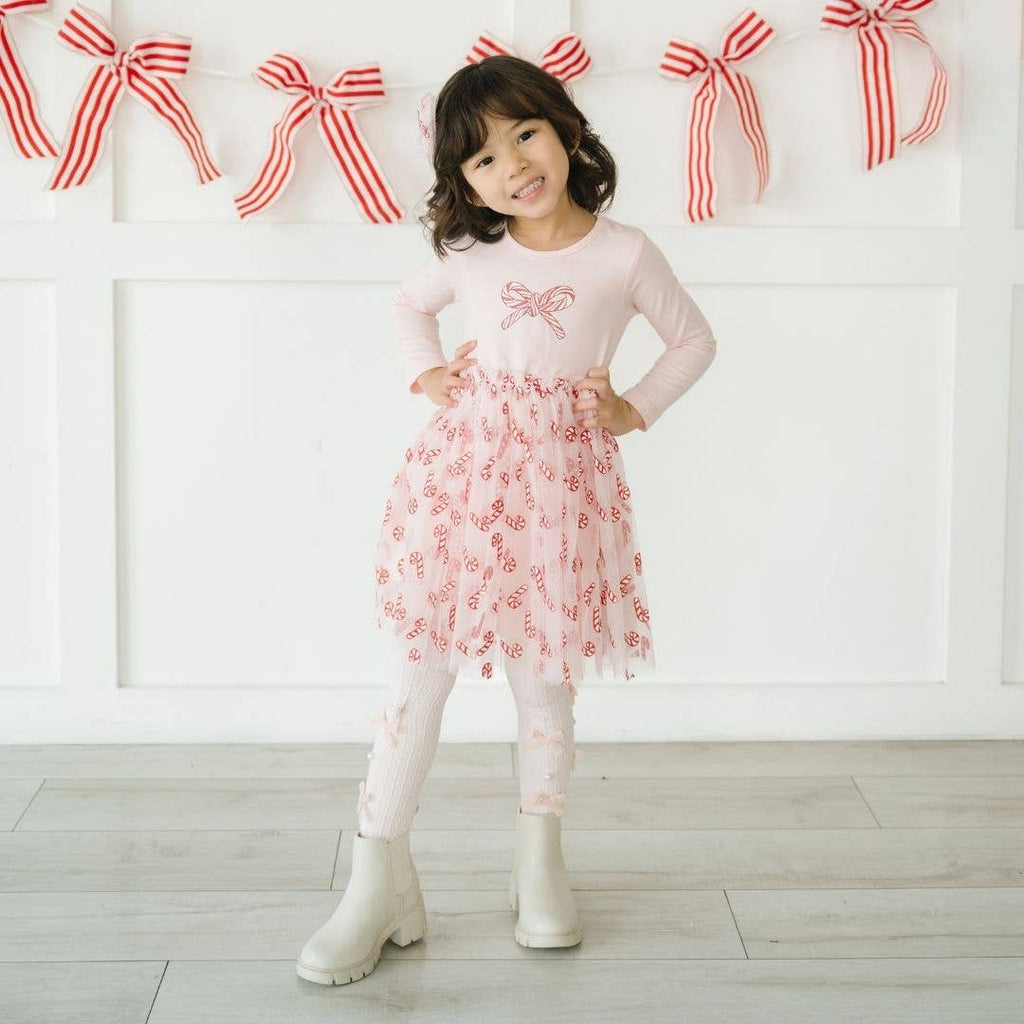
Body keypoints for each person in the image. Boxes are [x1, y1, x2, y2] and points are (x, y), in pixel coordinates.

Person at [297, 50, 717, 987]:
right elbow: (410, 307)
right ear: (463, 180)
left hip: (564, 497)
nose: (512, 166)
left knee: (544, 682)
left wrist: (630, 407)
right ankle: (378, 874)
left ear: (566, 129)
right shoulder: (471, 252)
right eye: (482, 159)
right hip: (463, 487)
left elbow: (693, 339)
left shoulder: (625, 252)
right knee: (420, 677)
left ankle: (540, 863)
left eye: (525, 134)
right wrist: (429, 371)